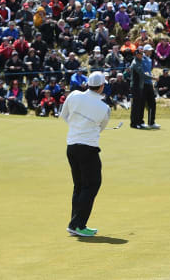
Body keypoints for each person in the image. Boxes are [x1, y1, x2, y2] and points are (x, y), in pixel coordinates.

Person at [61, 71, 111, 238]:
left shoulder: (74, 95)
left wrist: (78, 126)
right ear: (102, 86)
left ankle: (75, 223)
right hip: (88, 148)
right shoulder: (104, 108)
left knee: (80, 185)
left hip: (72, 146)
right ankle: (77, 224)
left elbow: (64, 115)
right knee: (92, 185)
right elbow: (101, 128)